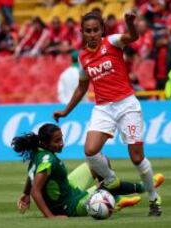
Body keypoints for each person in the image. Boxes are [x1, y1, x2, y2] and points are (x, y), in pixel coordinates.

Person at [53, 12, 162, 216]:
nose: (92, 34)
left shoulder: (112, 42)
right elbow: (81, 88)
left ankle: (154, 198)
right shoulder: (83, 57)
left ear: (102, 29)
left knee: (137, 158)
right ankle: (112, 180)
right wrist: (66, 111)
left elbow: (133, 37)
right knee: (90, 151)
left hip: (127, 104)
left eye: (96, 30)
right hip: (103, 108)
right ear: (82, 32)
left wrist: (130, 24)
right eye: (88, 31)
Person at [13, 123, 164, 218]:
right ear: (45, 143)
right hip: (68, 206)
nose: (62, 143)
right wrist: (50, 216)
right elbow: (36, 191)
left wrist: (25, 193)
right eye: (57, 141)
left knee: (96, 164)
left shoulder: (38, 152)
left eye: (61, 138)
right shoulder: (48, 160)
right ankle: (134, 191)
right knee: (103, 199)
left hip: (68, 189)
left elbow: (31, 174)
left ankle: (106, 189)